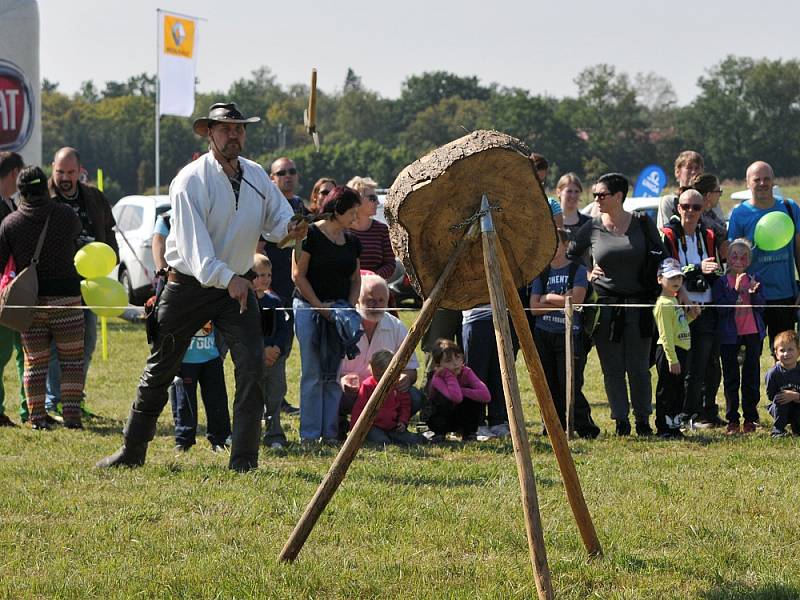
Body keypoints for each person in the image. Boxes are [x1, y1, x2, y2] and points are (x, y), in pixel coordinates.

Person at [96, 102, 305, 471]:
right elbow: (195, 250)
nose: (233, 134)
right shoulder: (190, 179)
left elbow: (277, 223)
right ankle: (131, 452)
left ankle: (244, 461)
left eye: (238, 128)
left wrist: (292, 229)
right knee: (160, 370)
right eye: (225, 128)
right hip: (188, 287)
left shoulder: (257, 175)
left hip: (236, 288)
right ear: (209, 133)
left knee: (252, 368)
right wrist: (231, 280)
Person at [567, 172, 665, 436]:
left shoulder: (643, 224)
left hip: (640, 307)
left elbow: (663, 258)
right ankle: (621, 421)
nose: (596, 199)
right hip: (605, 309)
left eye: (602, 194)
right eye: (595, 194)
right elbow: (570, 255)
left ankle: (643, 420)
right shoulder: (592, 227)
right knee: (612, 369)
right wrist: (587, 274)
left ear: (619, 196)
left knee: (639, 368)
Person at [0, 166, 84, 430]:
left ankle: (37, 419)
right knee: (72, 361)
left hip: (31, 302)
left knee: (34, 362)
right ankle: (72, 417)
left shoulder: (10, 224)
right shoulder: (65, 214)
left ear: (22, 191)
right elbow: (76, 240)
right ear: (45, 187)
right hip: (67, 300)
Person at [45, 147, 118, 418]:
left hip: (92, 283)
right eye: (60, 172)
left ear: (80, 170)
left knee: (86, 343)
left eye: (70, 172)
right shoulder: (43, 198)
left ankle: (74, 399)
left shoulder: (94, 197)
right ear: (52, 167)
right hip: (56, 283)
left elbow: (109, 231)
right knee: (56, 346)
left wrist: (112, 256)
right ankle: (54, 401)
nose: (65, 178)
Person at [292, 185, 362, 444]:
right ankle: (309, 435)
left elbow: (355, 279)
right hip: (309, 308)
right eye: (352, 212)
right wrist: (320, 307)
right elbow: (298, 275)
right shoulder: (308, 235)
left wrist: (348, 307)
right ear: (337, 210)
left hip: (340, 311)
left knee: (333, 373)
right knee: (312, 372)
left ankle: (330, 433)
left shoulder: (353, 242)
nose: (356, 218)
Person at [661, 188, 723, 428]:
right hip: (679, 308)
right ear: (678, 208)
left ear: (703, 210)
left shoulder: (707, 235)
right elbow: (667, 268)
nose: (690, 212)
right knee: (683, 364)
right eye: (685, 206)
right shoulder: (668, 234)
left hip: (706, 305)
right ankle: (684, 414)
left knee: (706, 363)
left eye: (696, 207)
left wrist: (712, 270)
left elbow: (716, 269)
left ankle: (702, 412)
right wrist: (697, 269)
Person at [530, 229, 600, 438]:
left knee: (569, 382)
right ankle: (552, 426)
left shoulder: (577, 270)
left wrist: (547, 297)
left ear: (566, 244)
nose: (552, 249)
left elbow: (576, 301)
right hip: (544, 334)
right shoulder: (541, 272)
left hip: (569, 334)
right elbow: (534, 308)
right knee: (548, 383)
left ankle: (584, 426)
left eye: (556, 244)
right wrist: (560, 299)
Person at [727, 161, 800, 351]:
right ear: (747, 182)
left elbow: (799, 250)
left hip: (784, 295)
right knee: (751, 355)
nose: (762, 183)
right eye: (757, 179)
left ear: (773, 181)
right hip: (751, 296)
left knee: (785, 354)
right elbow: (733, 259)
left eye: (766, 178)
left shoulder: (790, 208)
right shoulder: (739, 213)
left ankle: (783, 383)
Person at [339, 274, 420, 434]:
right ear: (357, 300)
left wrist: (406, 378)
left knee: (415, 397)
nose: (376, 306)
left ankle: (391, 425)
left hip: (385, 393)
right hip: (350, 394)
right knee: (333, 394)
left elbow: (411, 370)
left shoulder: (396, 326)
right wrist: (341, 381)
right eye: (370, 300)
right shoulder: (343, 325)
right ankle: (340, 426)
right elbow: (325, 371)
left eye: (381, 301)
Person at [261, 156, 307, 416]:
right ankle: (266, 404)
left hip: (292, 289)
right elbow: (260, 248)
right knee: (268, 348)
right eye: (281, 173)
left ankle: (278, 400)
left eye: (292, 171)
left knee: (284, 347)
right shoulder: (266, 207)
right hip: (269, 290)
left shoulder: (300, 205)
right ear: (272, 179)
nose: (287, 176)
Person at [713, 239, 765, 435]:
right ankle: (732, 419)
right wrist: (735, 291)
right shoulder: (721, 282)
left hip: (751, 333)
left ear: (749, 260)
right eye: (734, 255)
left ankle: (750, 418)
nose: (738, 260)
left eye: (743, 257)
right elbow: (721, 310)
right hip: (729, 337)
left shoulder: (755, 278)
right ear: (727, 257)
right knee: (731, 378)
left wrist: (754, 293)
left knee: (751, 376)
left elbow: (761, 306)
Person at [170, 320, 231, 452]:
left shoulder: (211, 300)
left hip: (212, 358)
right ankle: (183, 441)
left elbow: (224, 324)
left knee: (217, 400)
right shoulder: (177, 301)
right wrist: (173, 358)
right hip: (184, 361)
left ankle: (220, 439)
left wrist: (221, 352)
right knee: (183, 402)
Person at [253, 253, 291, 450]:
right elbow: (246, 332)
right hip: (253, 359)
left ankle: (274, 433)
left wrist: (276, 348)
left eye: (268, 275)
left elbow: (284, 329)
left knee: (275, 396)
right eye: (260, 275)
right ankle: (251, 434)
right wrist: (262, 350)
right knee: (253, 396)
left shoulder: (275, 301)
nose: (265, 279)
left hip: (275, 359)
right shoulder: (245, 303)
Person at [653, 258, 694, 439]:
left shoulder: (674, 301)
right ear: (660, 279)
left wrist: (692, 317)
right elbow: (666, 335)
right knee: (667, 390)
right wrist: (673, 359)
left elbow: (679, 325)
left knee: (678, 390)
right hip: (670, 351)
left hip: (681, 350)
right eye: (671, 278)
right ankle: (664, 427)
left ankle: (674, 426)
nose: (676, 281)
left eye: (679, 277)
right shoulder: (664, 304)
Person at [0, 151, 26, 427]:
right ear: (14, 173)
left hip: (13, 290)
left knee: (21, 351)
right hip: (2, 291)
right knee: (1, 353)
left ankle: (27, 408)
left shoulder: (11, 203)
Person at [350, 350, 421, 446]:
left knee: (412, 440)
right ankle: (384, 438)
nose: (381, 379)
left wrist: (403, 421)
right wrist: (354, 432)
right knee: (382, 442)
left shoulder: (396, 384)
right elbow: (358, 408)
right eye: (378, 375)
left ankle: (427, 437)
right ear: (371, 370)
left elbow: (405, 405)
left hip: (393, 426)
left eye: (385, 375)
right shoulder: (367, 386)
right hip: (373, 426)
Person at [426, 338, 490, 442]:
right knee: (443, 399)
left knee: (474, 397)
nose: (455, 364)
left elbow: (486, 396)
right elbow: (457, 398)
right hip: (439, 416)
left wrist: (463, 390)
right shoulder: (438, 377)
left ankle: (469, 433)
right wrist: (449, 376)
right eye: (448, 361)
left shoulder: (466, 372)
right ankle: (439, 433)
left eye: (457, 358)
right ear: (438, 365)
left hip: (457, 415)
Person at [346, 176, 396, 281]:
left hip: (375, 290)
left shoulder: (382, 230)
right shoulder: (342, 230)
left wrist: (372, 277)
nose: (377, 203)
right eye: (373, 198)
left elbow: (390, 264)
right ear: (357, 201)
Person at [656, 150, 704, 229]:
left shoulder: (708, 199)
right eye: (689, 168)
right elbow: (665, 233)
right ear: (678, 172)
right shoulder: (669, 201)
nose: (694, 172)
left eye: (697, 168)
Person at [766, 330, 800, 437]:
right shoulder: (773, 373)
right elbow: (771, 395)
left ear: (798, 351)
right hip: (780, 406)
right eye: (782, 350)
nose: (786, 354)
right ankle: (778, 430)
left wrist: (795, 396)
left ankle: (797, 428)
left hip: (797, 403)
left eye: (790, 349)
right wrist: (785, 395)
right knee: (780, 400)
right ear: (776, 353)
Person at [531, 153, 564, 228]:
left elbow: (561, 237)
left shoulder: (552, 205)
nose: (539, 185)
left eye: (541, 181)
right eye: (535, 180)